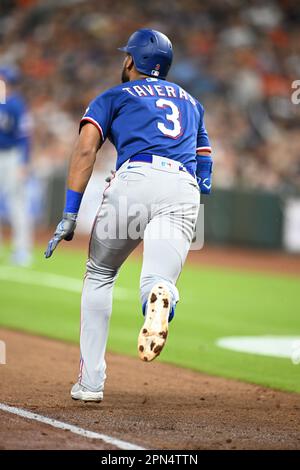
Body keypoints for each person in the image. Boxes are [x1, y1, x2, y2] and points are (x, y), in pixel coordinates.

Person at [45, 29, 212, 403]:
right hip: (182, 186)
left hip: (135, 178)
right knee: (157, 279)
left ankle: (91, 382)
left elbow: (86, 151)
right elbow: (205, 154)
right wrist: (201, 184)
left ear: (131, 60)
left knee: (101, 274)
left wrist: (70, 213)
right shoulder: (191, 101)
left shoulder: (115, 95)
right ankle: (161, 295)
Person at [0, 66, 32, 266]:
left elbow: (24, 136)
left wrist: (24, 162)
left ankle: (22, 250)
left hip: (12, 156)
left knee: (16, 204)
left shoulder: (16, 104)